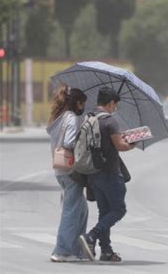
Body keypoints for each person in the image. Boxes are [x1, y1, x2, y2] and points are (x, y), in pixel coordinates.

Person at [79, 87, 135, 262]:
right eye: (115, 105)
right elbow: (120, 146)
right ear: (111, 103)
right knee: (119, 210)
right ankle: (91, 236)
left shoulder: (89, 118)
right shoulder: (110, 121)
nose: (115, 108)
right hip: (110, 174)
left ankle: (106, 251)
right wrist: (133, 142)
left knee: (104, 212)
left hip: (93, 174)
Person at [46, 84, 88, 262]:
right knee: (71, 211)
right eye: (83, 104)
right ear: (77, 103)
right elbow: (70, 142)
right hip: (70, 170)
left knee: (81, 210)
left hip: (59, 169)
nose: (83, 107)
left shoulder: (58, 117)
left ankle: (77, 251)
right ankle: (62, 251)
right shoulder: (71, 118)